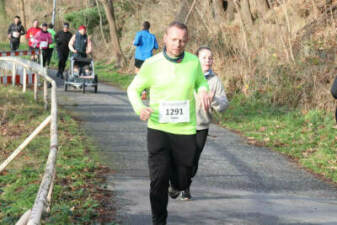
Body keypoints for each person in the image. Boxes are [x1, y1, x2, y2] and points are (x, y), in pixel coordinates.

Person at [127, 21, 211, 225]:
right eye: (174, 39)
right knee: (157, 180)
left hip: (185, 130)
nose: (178, 44)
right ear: (164, 38)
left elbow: (201, 81)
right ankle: (159, 221)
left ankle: (177, 186)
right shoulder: (152, 64)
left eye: (182, 40)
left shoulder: (193, 62)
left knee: (183, 179)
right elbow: (133, 90)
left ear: (187, 41)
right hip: (159, 129)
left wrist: (202, 90)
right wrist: (140, 108)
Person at [180, 46, 229, 201]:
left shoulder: (215, 81)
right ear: (197, 59)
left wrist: (212, 99)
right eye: (204, 57)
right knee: (182, 157)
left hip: (202, 125)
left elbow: (224, 105)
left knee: (194, 159)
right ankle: (179, 185)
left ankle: (184, 184)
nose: (208, 60)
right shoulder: (187, 75)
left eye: (210, 57)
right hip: (183, 124)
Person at [133, 21, 159, 100]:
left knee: (138, 73)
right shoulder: (152, 36)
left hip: (139, 56)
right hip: (149, 58)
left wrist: (134, 42)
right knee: (147, 74)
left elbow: (136, 43)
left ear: (142, 26)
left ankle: (141, 90)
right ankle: (147, 91)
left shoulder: (139, 34)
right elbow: (156, 47)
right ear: (149, 27)